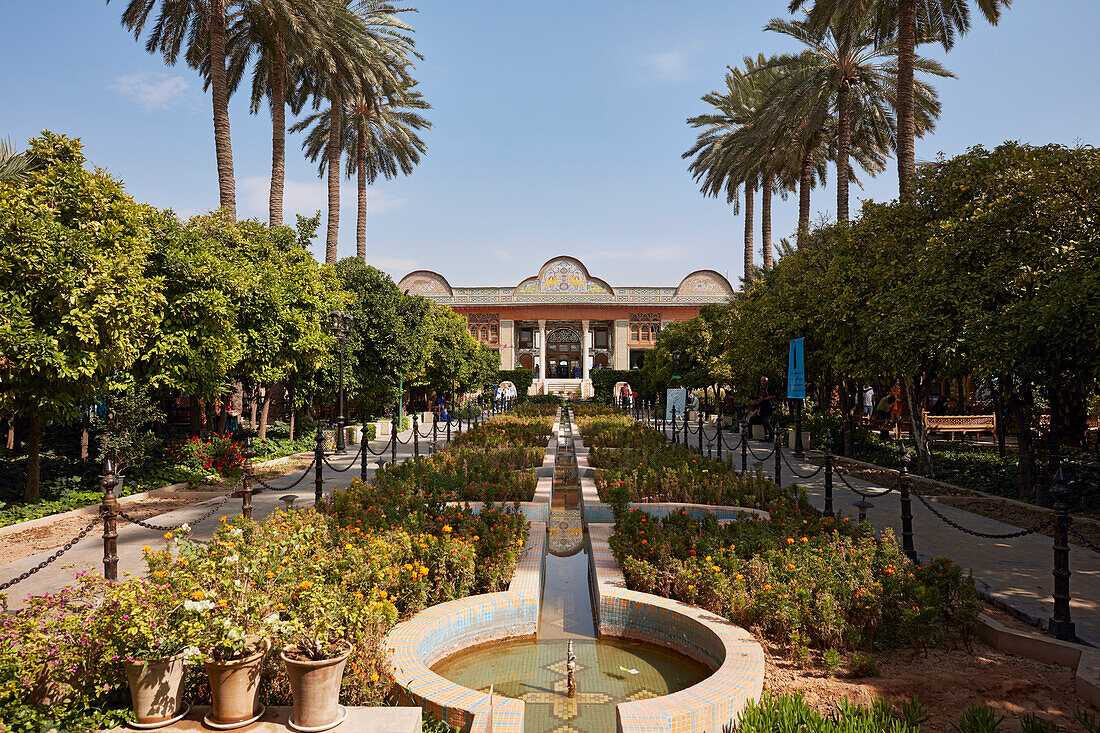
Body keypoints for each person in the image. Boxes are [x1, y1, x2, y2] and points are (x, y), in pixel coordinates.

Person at [743, 376, 775, 441]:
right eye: (761, 381)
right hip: (762, 408)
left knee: (766, 421)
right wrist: (759, 408)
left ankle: (771, 436)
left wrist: (764, 399)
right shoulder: (760, 389)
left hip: (768, 407)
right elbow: (759, 400)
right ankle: (750, 435)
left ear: (767, 381)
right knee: (752, 419)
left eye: (764, 381)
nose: (762, 382)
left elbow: (773, 396)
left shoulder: (769, 388)